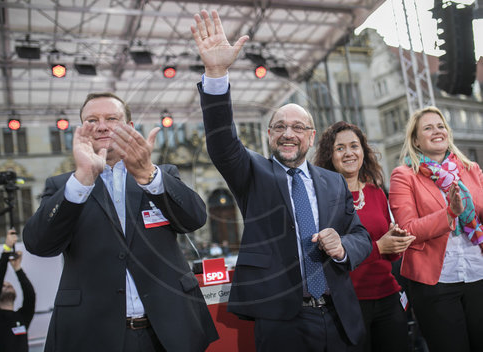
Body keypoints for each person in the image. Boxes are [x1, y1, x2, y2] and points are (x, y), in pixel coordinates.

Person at [191, 10, 372, 352]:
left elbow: (362, 235)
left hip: (340, 317)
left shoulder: (333, 183)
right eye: (279, 127)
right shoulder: (254, 173)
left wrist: (343, 246)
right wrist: (216, 74)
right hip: (282, 323)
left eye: (298, 127)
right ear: (269, 134)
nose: (288, 134)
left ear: (312, 137)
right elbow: (223, 144)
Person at [23, 92, 218, 352]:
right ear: (81, 130)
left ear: (130, 128)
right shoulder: (64, 187)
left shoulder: (162, 175)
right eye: (92, 120)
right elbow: (39, 244)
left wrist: (149, 176)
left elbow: (195, 219)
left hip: (169, 330)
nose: (101, 125)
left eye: (111, 118)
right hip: (94, 334)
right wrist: (81, 181)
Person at [313, 121, 415, 352]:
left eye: (354, 146)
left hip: (388, 297)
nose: (349, 153)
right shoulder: (322, 200)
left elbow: (389, 257)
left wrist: (396, 243)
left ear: (363, 151)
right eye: (340, 148)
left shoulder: (376, 192)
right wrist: (380, 246)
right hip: (349, 304)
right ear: (330, 155)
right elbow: (328, 258)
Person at [389, 106, 483, 352]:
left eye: (440, 126)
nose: (437, 131)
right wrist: (450, 213)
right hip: (436, 283)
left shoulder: (470, 169)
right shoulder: (404, 176)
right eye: (428, 128)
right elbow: (408, 228)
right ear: (416, 140)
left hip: (478, 273)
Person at [0, 229, 36, 352]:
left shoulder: (22, 317)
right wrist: (7, 249)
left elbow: (30, 296)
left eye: (9, 285)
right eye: (3, 285)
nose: (6, 285)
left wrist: (17, 269)